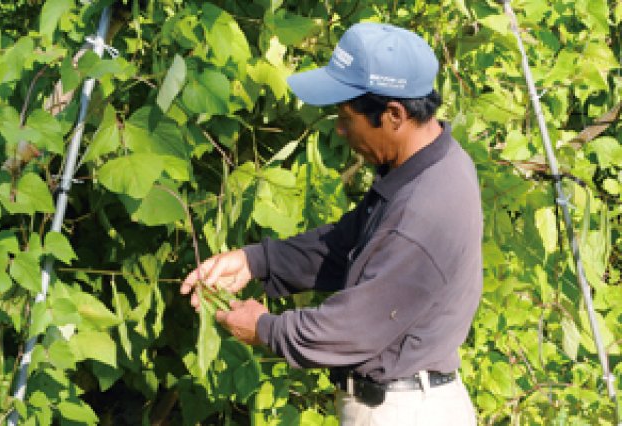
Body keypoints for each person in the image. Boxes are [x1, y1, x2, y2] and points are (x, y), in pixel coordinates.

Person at [181, 22, 482, 425]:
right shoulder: (430, 163)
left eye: (345, 116)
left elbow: (355, 327)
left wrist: (265, 328)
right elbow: (346, 246)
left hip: (402, 412)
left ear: (394, 115)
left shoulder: (423, 211)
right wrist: (256, 261)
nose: (339, 129)